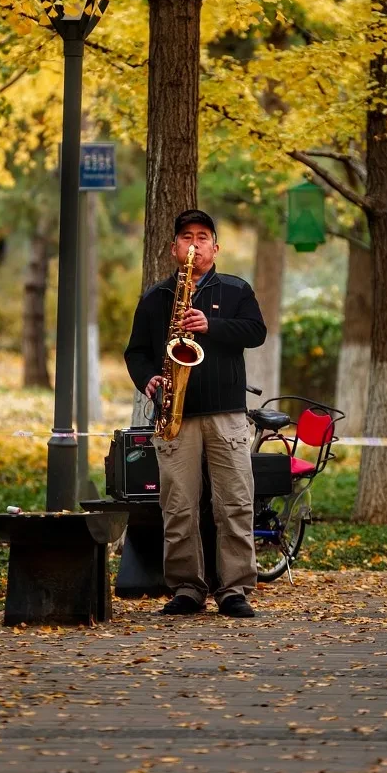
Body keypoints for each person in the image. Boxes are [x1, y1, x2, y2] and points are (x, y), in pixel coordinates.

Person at [124, 209, 267, 618]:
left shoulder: (237, 290)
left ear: (215, 248)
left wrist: (212, 325)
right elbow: (134, 352)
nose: (195, 244)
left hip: (226, 414)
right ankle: (187, 588)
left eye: (203, 237)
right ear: (174, 249)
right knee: (178, 505)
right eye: (187, 237)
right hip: (175, 417)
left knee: (235, 502)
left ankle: (235, 589)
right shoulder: (155, 299)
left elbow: (256, 332)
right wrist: (148, 378)